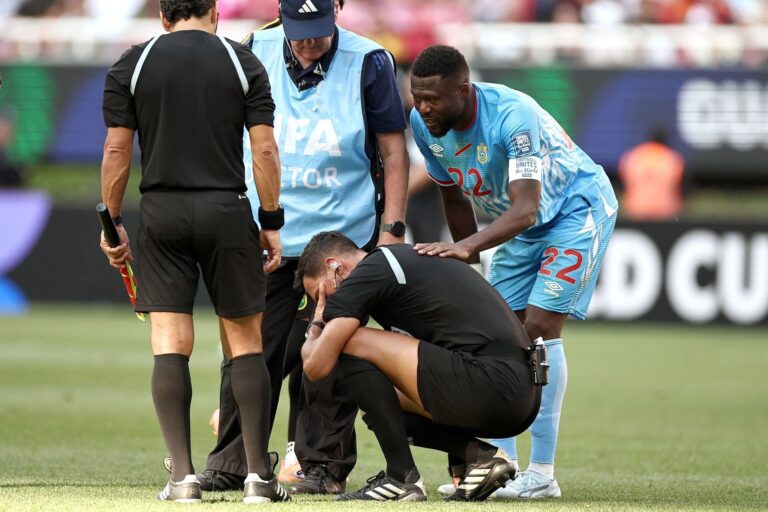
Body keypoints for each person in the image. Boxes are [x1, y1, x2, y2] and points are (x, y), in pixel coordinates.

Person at [200, 0, 409, 495]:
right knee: (249, 351)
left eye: (319, 29)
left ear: (338, 8)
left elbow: (393, 150)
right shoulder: (255, 47)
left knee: (330, 355)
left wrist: (392, 231)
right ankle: (234, 461)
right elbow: (231, 135)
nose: (309, 40)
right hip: (268, 233)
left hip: (343, 238)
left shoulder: (370, 61)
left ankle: (323, 467)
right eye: (299, 29)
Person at [98, 0, 288, 503]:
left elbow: (116, 149)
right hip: (227, 209)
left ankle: (182, 479)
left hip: (161, 211)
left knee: (169, 340)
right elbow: (264, 150)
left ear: (164, 16)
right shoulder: (242, 62)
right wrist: (271, 221)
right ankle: (258, 477)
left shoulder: (133, 62)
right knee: (245, 342)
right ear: (215, 13)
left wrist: (112, 223)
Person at [409, 45, 618, 499]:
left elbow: (526, 209)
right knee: (497, 333)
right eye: (417, 97)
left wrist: (466, 245)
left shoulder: (513, 116)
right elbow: (452, 196)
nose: (423, 108)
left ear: (463, 91)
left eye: (433, 99)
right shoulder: (424, 126)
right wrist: (468, 266)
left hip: (574, 210)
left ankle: (542, 475)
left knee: (539, 327)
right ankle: (500, 468)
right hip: (520, 228)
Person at [296, 231, 542, 502]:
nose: (326, 302)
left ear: (335, 267)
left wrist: (317, 321)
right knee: (379, 399)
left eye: (322, 293)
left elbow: (315, 367)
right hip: (516, 393)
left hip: (495, 382)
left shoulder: (371, 270)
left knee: (350, 342)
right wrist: (459, 466)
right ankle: (480, 457)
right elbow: (452, 344)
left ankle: (401, 478)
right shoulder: (397, 266)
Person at [618, 129, 685, 220]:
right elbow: (680, 188)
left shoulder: (632, 156)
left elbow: (623, 185)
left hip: (636, 208)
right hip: (665, 209)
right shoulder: (673, 158)